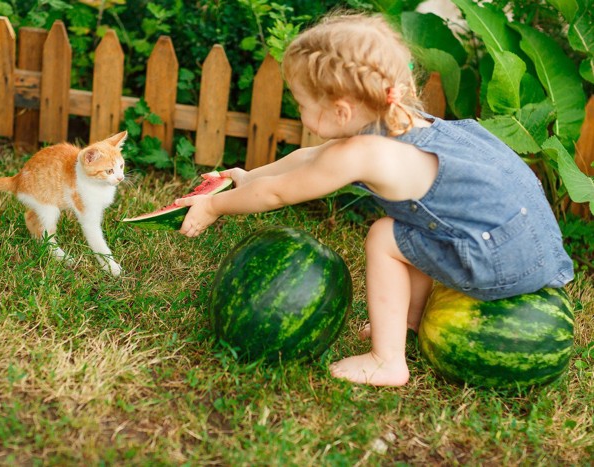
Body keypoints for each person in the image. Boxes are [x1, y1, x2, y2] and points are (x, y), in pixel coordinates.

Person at [174, 12, 574, 386]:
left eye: (301, 104)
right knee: (412, 232)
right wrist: (248, 177)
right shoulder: (401, 121)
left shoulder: (362, 153)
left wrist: (213, 206)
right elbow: (307, 158)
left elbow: (279, 194)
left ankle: (387, 360)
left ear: (342, 110)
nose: (299, 113)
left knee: (386, 237)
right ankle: (407, 322)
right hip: (525, 239)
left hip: (504, 260)